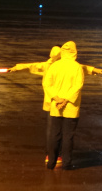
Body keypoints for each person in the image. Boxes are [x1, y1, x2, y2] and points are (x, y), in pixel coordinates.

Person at [42, 41, 84, 170]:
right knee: (68, 136)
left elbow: (46, 83)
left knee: (55, 135)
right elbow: (78, 85)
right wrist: (66, 99)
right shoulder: (77, 67)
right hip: (71, 107)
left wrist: (57, 98)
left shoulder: (54, 66)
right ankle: (67, 163)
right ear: (75, 52)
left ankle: (51, 162)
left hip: (56, 105)